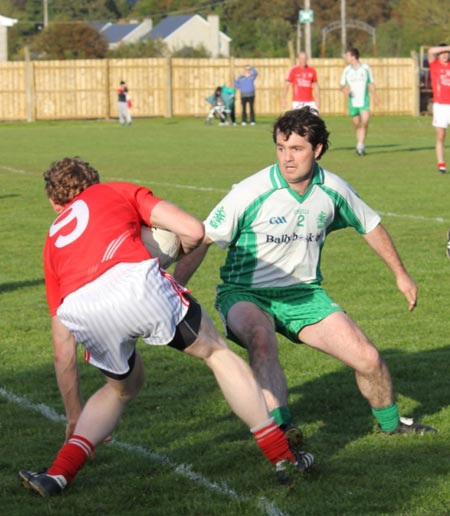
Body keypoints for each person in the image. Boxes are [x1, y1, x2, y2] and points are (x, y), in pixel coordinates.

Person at [18, 157, 314, 497]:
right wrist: (168, 257)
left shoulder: (52, 239)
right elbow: (193, 230)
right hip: (135, 282)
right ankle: (282, 456)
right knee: (217, 353)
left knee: (122, 388)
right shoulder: (114, 191)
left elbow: (62, 350)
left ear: (56, 204)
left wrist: (73, 416)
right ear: (95, 182)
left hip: (83, 309)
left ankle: (58, 473)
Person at [174, 107, 437, 453]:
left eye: (297, 149)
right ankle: (283, 431)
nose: (287, 158)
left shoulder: (333, 189)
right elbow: (203, 238)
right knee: (261, 340)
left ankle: (391, 426)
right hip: (245, 293)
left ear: (318, 150)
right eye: (281, 148)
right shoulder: (251, 191)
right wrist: (174, 290)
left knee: (369, 358)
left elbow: (370, 225)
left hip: (303, 295)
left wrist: (401, 274)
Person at [340, 48, 379, 156]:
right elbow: (341, 85)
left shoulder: (365, 68)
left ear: (353, 56)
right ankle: (359, 143)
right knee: (357, 124)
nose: (346, 58)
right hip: (353, 101)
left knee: (365, 121)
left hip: (364, 100)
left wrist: (375, 96)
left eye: (347, 56)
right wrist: (345, 90)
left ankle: (360, 145)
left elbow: (371, 83)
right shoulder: (347, 70)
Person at [427, 43, 450, 175]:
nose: (445, 55)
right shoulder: (434, 65)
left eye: (447, 53)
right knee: (440, 136)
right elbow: (430, 51)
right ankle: (441, 166)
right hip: (440, 106)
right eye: (442, 53)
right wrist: (447, 48)